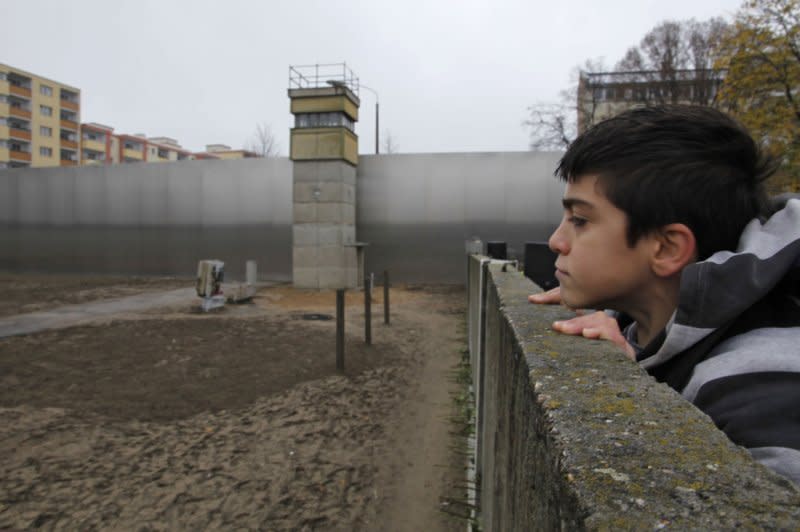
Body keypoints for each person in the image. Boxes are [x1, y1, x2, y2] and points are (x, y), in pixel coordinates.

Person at [528, 105, 800, 486]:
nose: (557, 241)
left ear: (668, 249)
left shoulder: (760, 392)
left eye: (580, 220)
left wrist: (634, 400)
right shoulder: (658, 328)